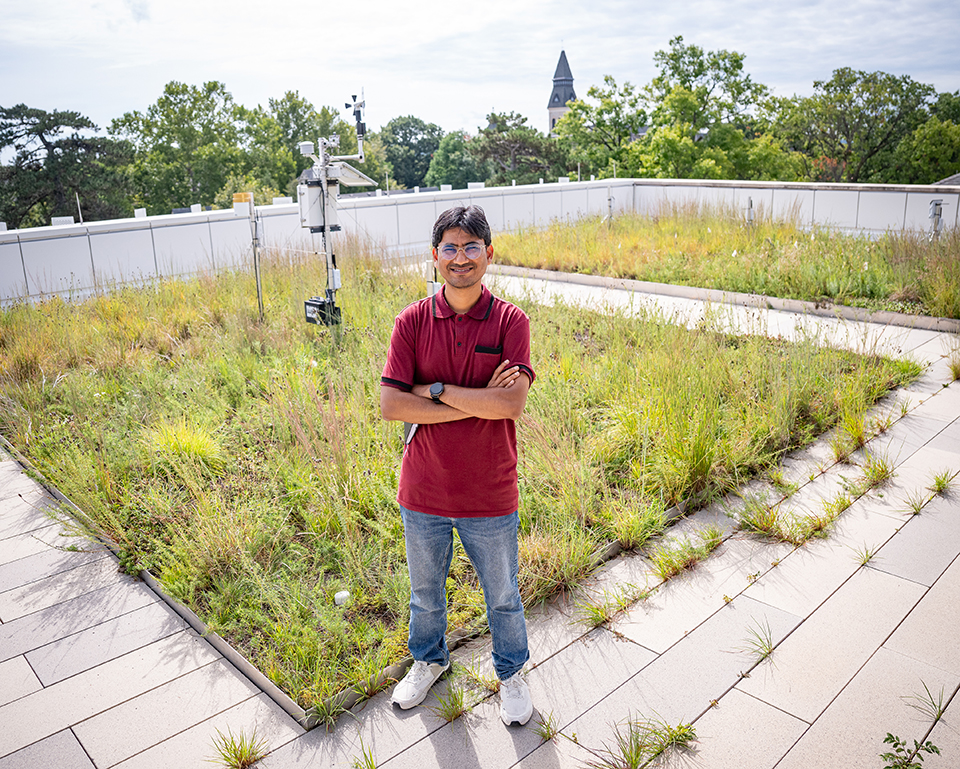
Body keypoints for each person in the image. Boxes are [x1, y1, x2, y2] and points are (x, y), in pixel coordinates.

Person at [380, 205, 535, 726]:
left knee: (503, 597)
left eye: (472, 247)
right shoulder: (412, 321)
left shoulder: (512, 321)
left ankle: (511, 673)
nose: (461, 258)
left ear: (489, 254)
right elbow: (391, 405)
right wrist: (470, 399)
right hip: (422, 489)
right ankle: (428, 661)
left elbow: (511, 404)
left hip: (489, 490)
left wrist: (434, 392)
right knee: (425, 596)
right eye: (450, 247)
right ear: (435, 256)